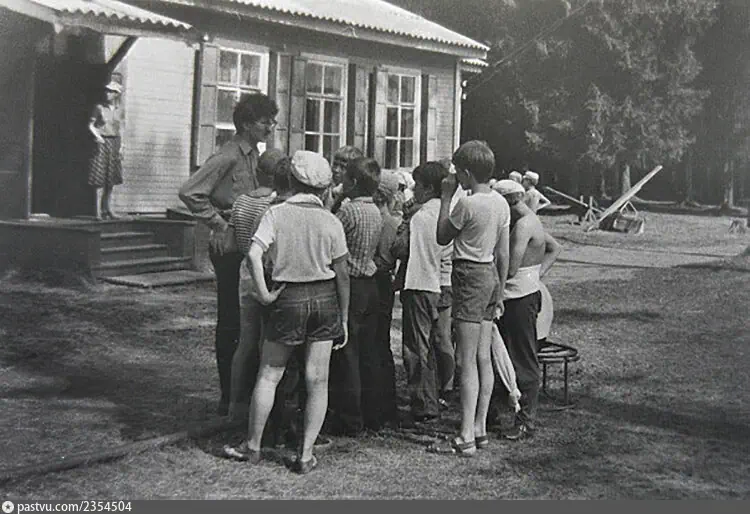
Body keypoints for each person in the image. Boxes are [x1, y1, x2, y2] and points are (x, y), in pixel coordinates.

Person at [223, 150, 350, 474]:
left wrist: (264, 294)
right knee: (317, 379)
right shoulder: (331, 220)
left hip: (287, 295)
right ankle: (305, 454)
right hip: (324, 297)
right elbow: (342, 273)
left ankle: (253, 446)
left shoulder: (276, 214)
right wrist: (344, 316)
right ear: (324, 187)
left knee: (270, 373)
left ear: (291, 180)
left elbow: (253, 255)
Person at [178, 93, 279, 416]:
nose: (270, 127)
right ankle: (228, 396)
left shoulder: (253, 155)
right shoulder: (228, 155)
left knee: (249, 321)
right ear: (247, 124)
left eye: (272, 121)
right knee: (232, 321)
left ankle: (243, 393)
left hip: (246, 243)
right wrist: (220, 225)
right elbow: (190, 192)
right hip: (229, 247)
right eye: (264, 122)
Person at [429, 140, 510, 457]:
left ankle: (465, 435)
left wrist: (446, 197)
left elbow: (442, 236)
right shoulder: (501, 203)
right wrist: (500, 290)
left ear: (466, 173)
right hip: (489, 274)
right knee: (482, 357)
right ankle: (479, 427)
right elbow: (503, 252)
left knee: (465, 359)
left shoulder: (467, 203)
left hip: (468, 275)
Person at [492, 179, 561, 440]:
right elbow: (554, 247)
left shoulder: (523, 225)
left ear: (508, 202)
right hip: (521, 292)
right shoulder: (530, 220)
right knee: (502, 355)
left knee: (523, 358)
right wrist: (536, 275)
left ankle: (526, 421)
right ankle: (500, 412)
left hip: (519, 297)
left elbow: (509, 268)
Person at [225, 148, 285, 423]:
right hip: (268, 274)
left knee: (245, 342)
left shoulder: (241, 201)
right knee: (267, 346)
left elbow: (231, 243)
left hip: (246, 274)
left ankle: (234, 403)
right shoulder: (275, 205)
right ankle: (264, 410)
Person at [328, 156, 383, 434]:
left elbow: (329, 233)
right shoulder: (376, 210)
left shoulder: (348, 212)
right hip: (370, 284)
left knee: (346, 351)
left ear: (353, 182)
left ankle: (349, 417)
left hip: (350, 283)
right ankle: (371, 412)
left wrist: (336, 200)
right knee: (367, 352)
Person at [394, 162, 449, 423]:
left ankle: (424, 405)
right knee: (435, 345)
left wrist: (403, 222)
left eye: (417, 185)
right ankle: (435, 395)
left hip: (420, 282)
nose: (414, 190)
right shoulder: (446, 211)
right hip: (441, 282)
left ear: (428, 188)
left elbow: (400, 248)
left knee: (416, 348)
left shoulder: (420, 216)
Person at [372, 170, 402, 428]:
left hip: (374, 280)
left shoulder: (381, 221)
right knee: (381, 341)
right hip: (384, 282)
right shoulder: (392, 222)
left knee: (374, 341)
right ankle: (384, 403)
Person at [88, 80, 124, 220]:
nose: (107, 93)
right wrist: (97, 136)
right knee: (99, 178)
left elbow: (121, 128)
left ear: (116, 94)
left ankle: (108, 209)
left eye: (111, 91)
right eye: (107, 91)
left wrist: (122, 146)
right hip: (102, 142)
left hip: (114, 143)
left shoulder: (120, 110)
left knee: (111, 178)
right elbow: (91, 125)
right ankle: (97, 212)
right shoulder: (99, 108)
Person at [327, 146, 364, 213]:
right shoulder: (328, 189)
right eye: (335, 164)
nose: (336, 170)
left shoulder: (355, 198)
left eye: (342, 167)